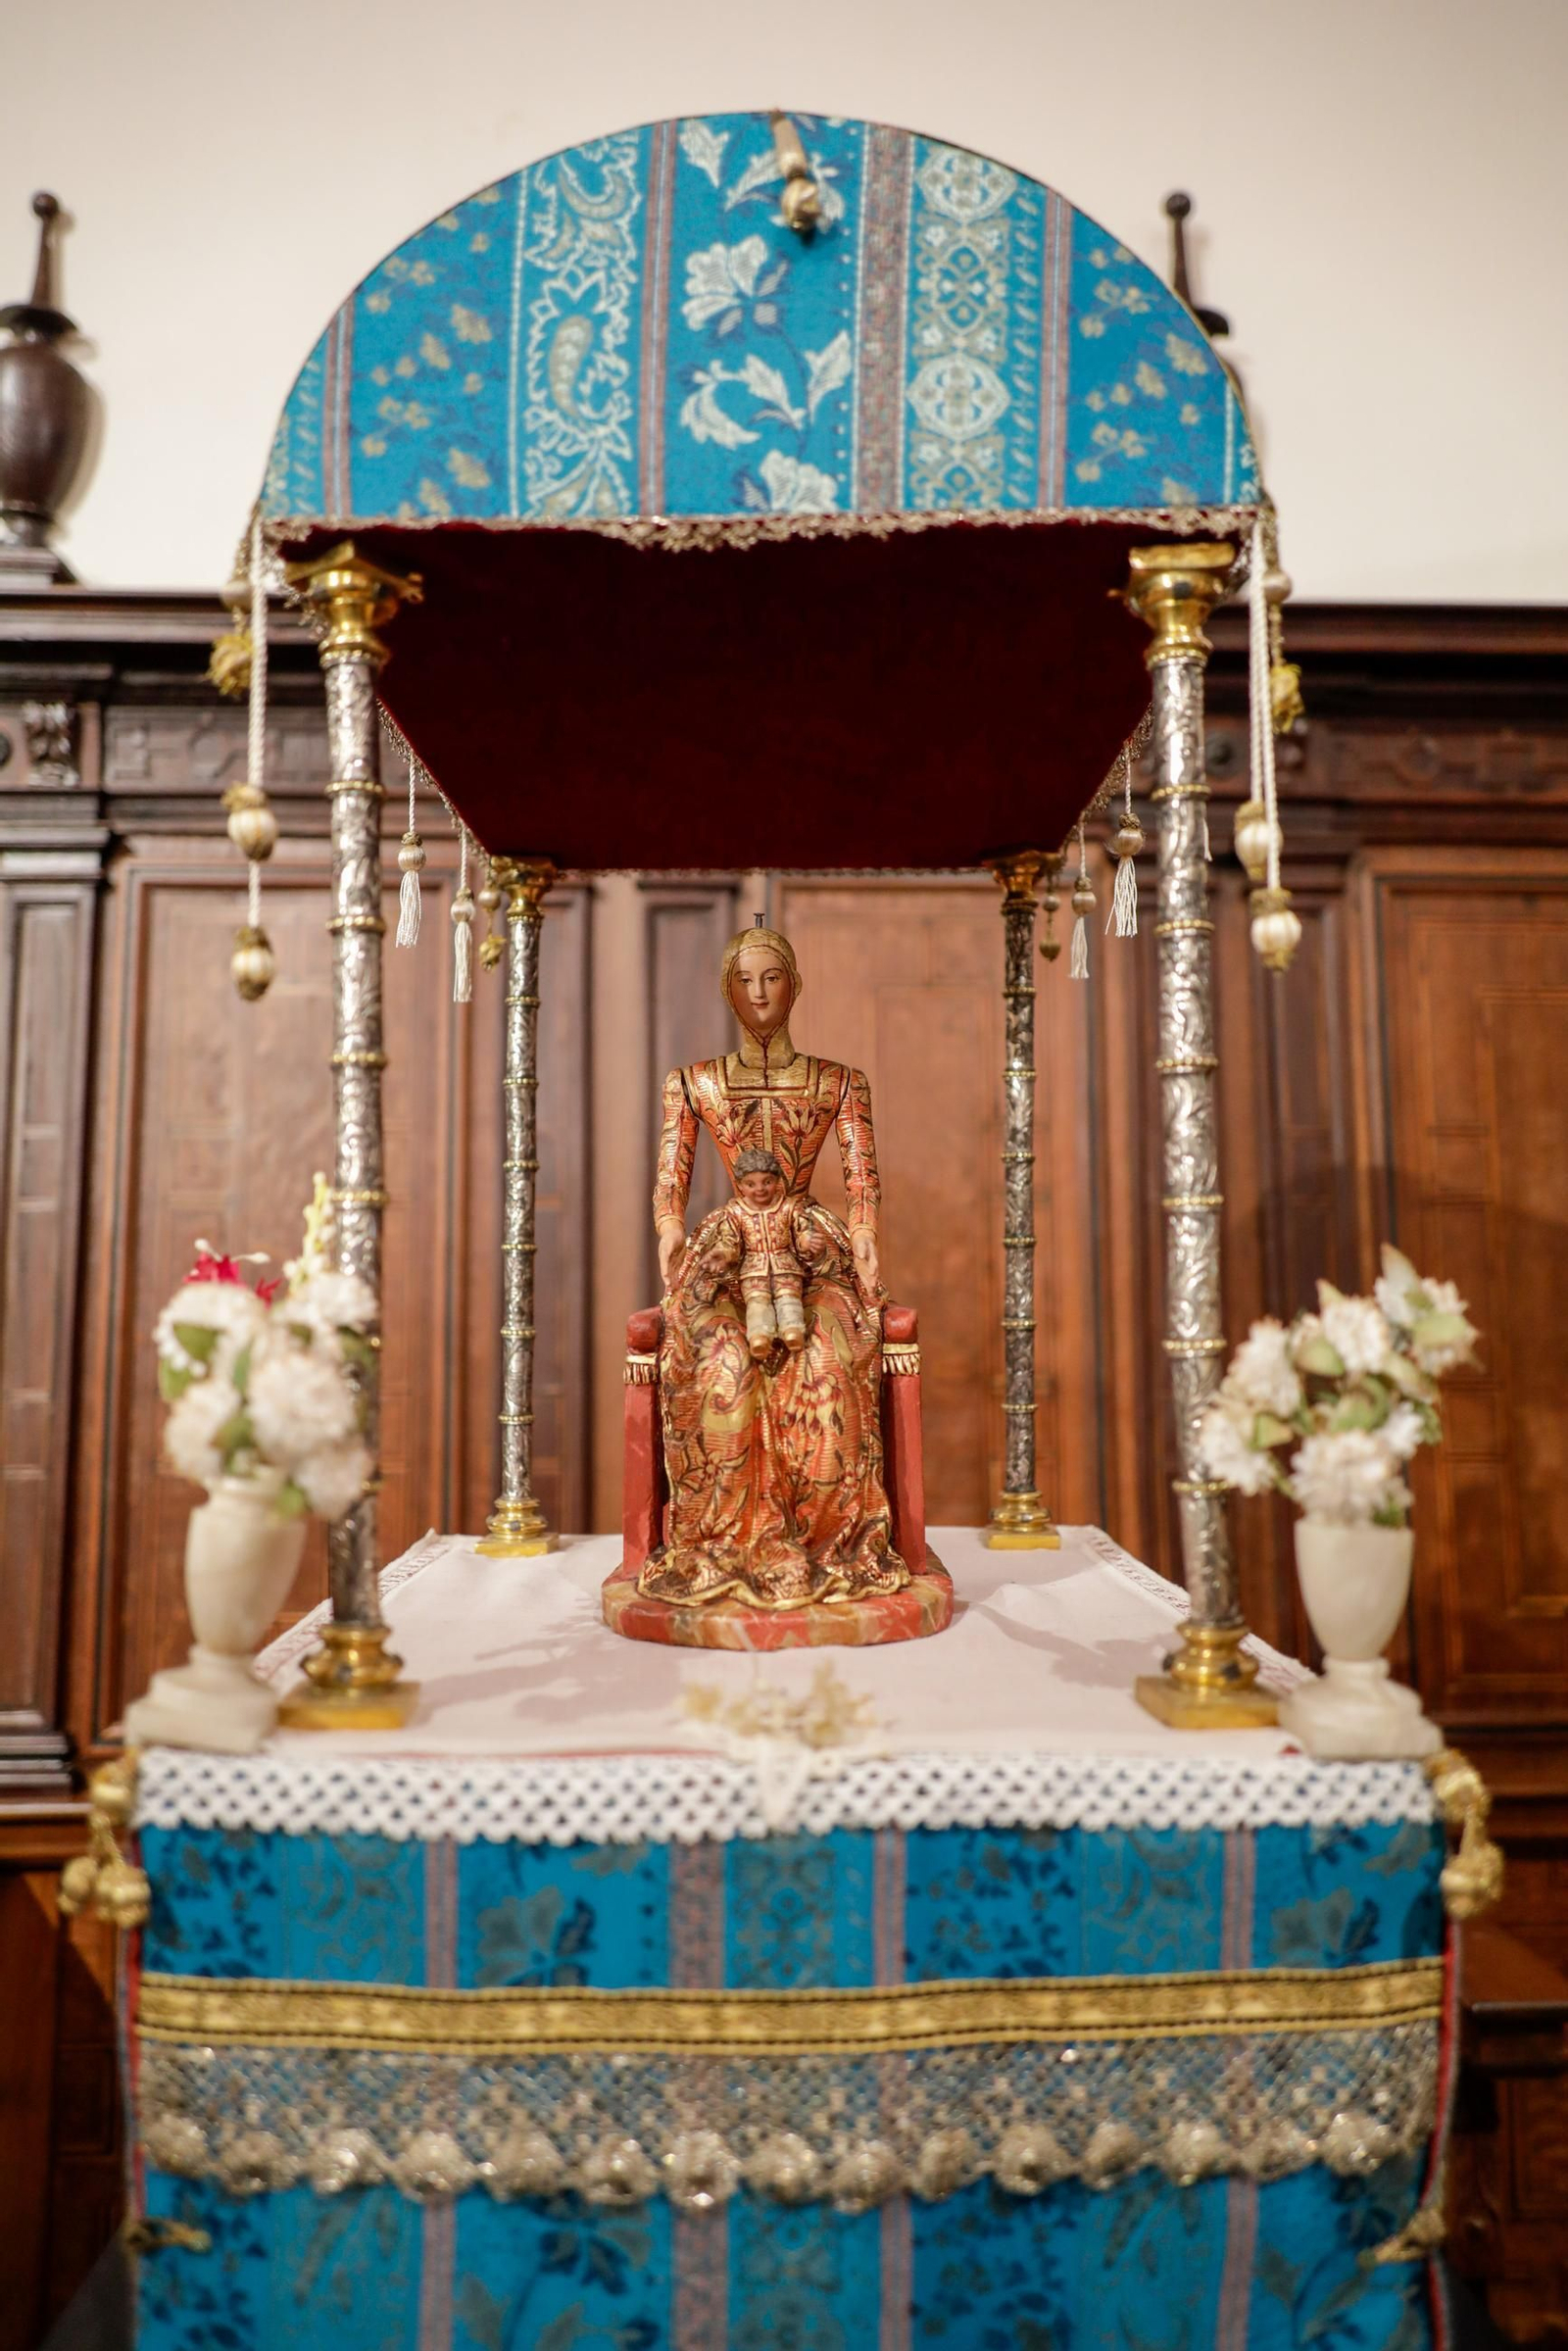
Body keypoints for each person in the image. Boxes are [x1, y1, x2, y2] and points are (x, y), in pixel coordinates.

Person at [639, 922, 908, 1611]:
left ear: (795, 985)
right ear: (727, 990)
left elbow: (862, 1177)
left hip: (809, 1247)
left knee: (825, 1354)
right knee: (718, 1355)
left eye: (772, 977)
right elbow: (671, 1174)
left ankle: (825, 1535)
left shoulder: (839, 1082)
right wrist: (670, 1229)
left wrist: (864, 1232)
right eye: (745, 980)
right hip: (728, 1247)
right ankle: (725, 1533)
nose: (759, 993)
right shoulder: (694, 1082)